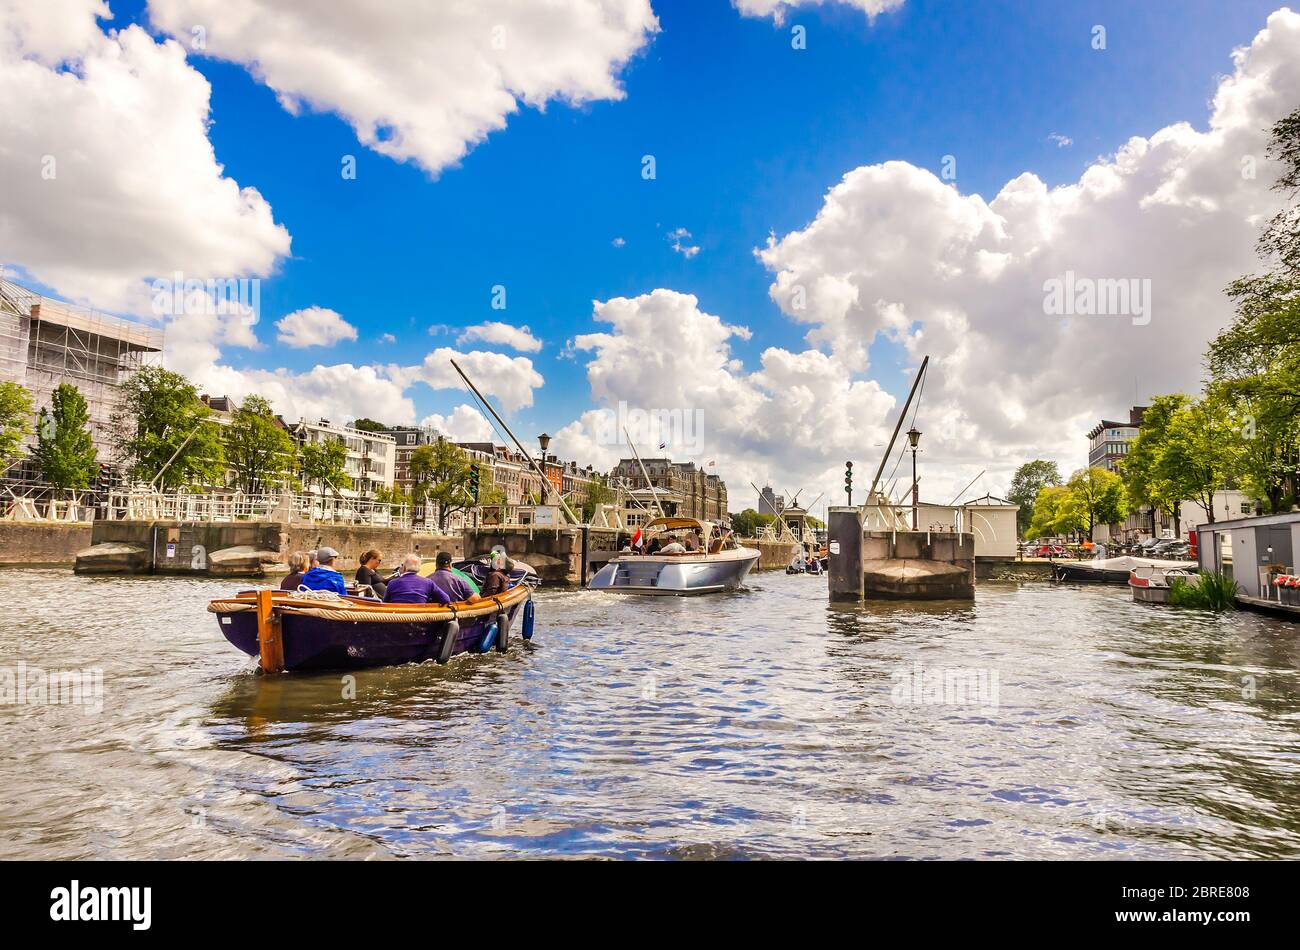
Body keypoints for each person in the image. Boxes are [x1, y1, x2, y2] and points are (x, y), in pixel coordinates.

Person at [384, 554, 452, 604]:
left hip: (397, 620)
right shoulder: (428, 583)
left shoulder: (392, 583)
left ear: (404, 568)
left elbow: (385, 603)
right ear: (419, 569)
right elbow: (446, 599)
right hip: (421, 621)